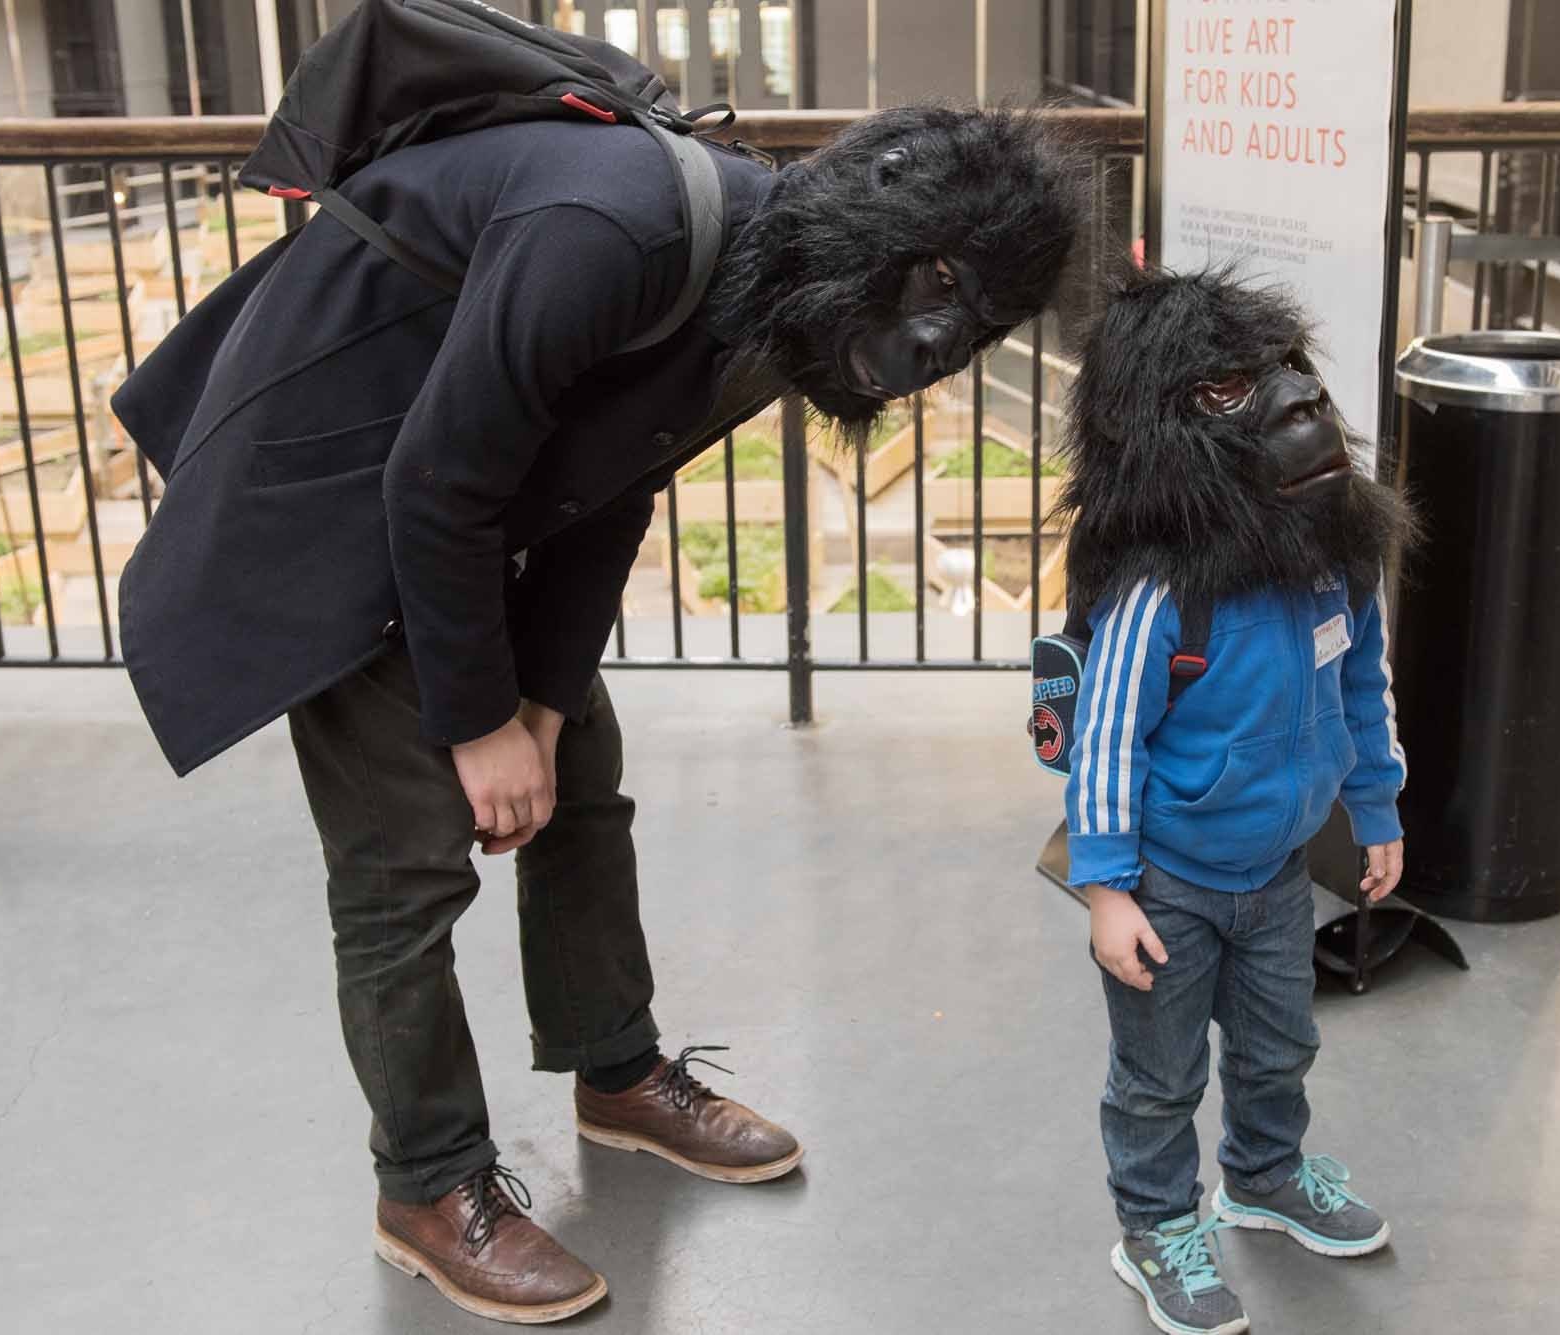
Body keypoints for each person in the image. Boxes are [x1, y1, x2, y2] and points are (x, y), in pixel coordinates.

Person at [110, 94, 1077, 1321]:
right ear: (899, 254)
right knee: (404, 860)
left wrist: (545, 704)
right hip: (338, 480)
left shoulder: (776, 280)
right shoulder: (613, 232)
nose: (942, 356)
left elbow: (613, 479)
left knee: (579, 781)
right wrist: (474, 726)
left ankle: (614, 1074)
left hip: (459, 487)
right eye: (948, 312)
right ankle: (425, 1184)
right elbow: (433, 483)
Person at [1053, 270, 1416, 1335]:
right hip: (1168, 881)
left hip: (1275, 875)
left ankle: (1261, 1177)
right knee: (1157, 1079)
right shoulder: (1160, 589)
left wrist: (1376, 811)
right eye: (1221, 392)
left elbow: (1360, 686)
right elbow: (1107, 741)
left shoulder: (1331, 564)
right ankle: (1153, 1227)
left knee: (1277, 1047)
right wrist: (1105, 890)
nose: (1282, 408)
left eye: (1275, 377)